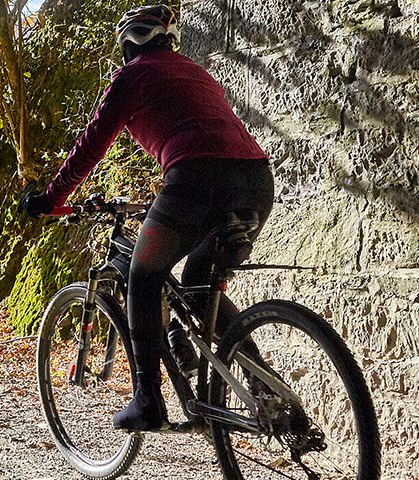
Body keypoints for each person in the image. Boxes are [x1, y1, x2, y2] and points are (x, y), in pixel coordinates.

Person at [19, 4, 274, 432]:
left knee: (143, 273)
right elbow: (197, 128)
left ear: (127, 43)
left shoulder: (132, 76)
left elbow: (91, 145)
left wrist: (50, 198)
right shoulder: (197, 73)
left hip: (195, 181)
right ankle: (263, 386)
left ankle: (147, 399)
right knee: (197, 282)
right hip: (256, 182)